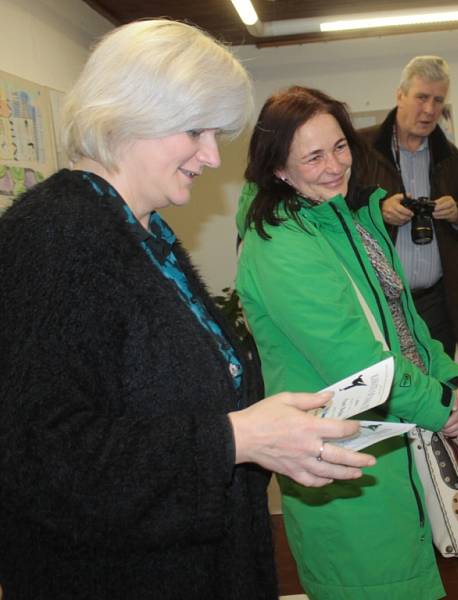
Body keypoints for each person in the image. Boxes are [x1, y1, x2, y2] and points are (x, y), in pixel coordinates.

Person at [0, 20, 375, 600]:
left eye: (216, 132)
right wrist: (235, 440)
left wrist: (267, 430)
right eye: (195, 130)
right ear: (129, 114)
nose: (209, 155)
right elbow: (44, 459)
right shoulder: (51, 239)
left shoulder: (143, 231)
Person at [236, 86, 458, 599]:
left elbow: (407, 326)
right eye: (314, 156)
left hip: (395, 443)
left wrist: (452, 383)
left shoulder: (347, 221)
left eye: (340, 147)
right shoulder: (281, 243)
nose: (334, 166)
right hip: (345, 461)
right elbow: (361, 365)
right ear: (278, 168)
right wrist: (444, 405)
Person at [358, 55, 458, 357]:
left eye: (438, 101)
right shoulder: (362, 149)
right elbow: (338, 213)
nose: (429, 110)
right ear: (400, 95)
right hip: (380, 301)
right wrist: (378, 210)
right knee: (391, 394)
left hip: (438, 304)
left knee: (441, 393)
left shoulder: (452, 158)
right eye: (421, 97)